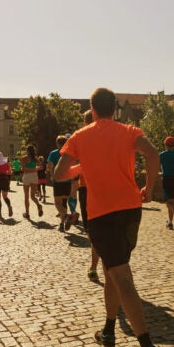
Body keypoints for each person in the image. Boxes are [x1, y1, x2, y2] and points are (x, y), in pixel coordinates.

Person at [54, 88, 168, 347]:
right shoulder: (130, 131)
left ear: (92, 109)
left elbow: (59, 172)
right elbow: (154, 154)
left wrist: (82, 166)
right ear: (114, 109)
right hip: (132, 209)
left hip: (103, 212)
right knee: (112, 270)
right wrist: (149, 187)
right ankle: (108, 331)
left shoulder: (80, 136)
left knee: (120, 275)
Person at [77, 109, 100, 281]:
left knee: (92, 230)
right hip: (104, 186)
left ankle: (94, 266)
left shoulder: (81, 138)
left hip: (86, 187)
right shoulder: (109, 137)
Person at [46, 135, 72, 231]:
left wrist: (51, 175)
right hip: (68, 180)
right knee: (64, 202)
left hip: (58, 181)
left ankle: (67, 216)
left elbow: (49, 166)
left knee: (57, 203)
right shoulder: (69, 153)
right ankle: (61, 224)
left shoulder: (53, 153)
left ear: (57, 143)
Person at [20, 144, 44, 219]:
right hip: (34, 176)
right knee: (33, 196)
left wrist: (32, 169)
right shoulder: (35, 158)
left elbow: (24, 169)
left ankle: (27, 213)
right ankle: (38, 205)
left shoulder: (24, 158)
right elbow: (41, 167)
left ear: (27, 150)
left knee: (26, 196)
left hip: (27, 176)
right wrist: (35, 169)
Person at [0, 152, 13, 218]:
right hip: (5, 180)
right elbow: (10, 172)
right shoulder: (6, 164)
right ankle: (9, 206)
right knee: (5, 197)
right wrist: (5, 172)